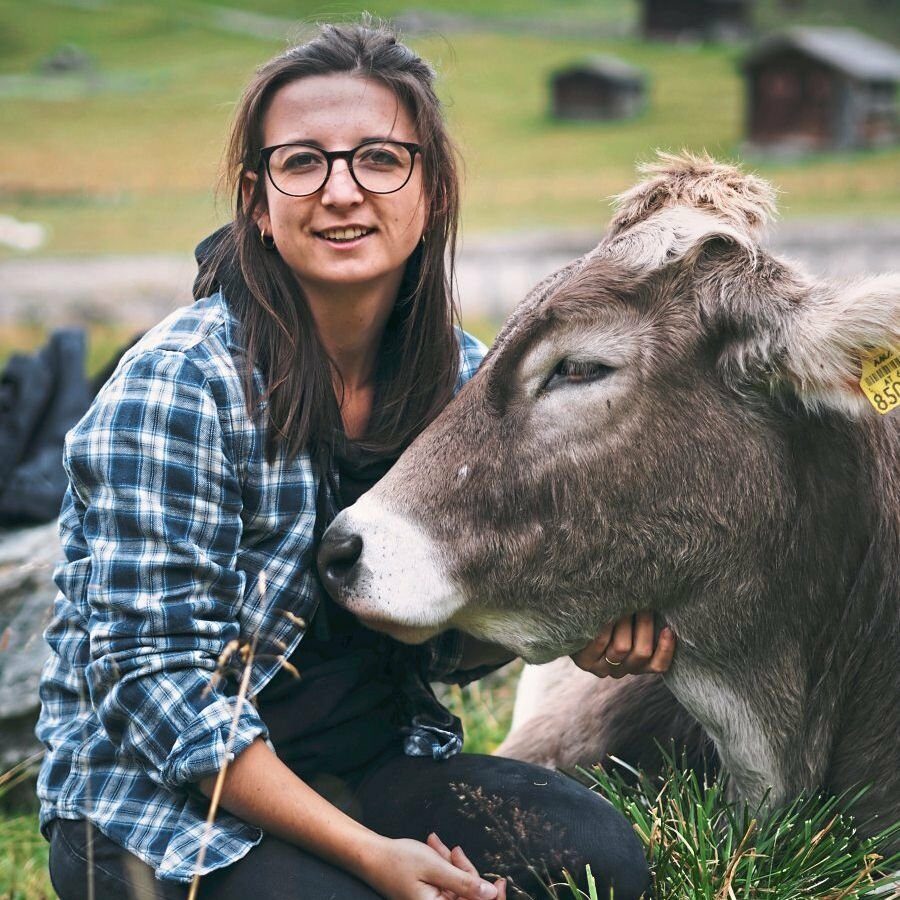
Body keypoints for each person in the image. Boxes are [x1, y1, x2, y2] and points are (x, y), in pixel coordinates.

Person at [36, 21, 676, 900]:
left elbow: (447, 639)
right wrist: (370, 855)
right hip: (163, 809)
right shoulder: (179, 386)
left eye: (380, 159)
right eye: (302, 163)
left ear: (433, 191)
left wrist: (574, 628)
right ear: (258, 202)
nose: (341, 192)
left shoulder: (464, 383)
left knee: (600, 859)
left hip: (370, 767)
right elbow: (157, 690)